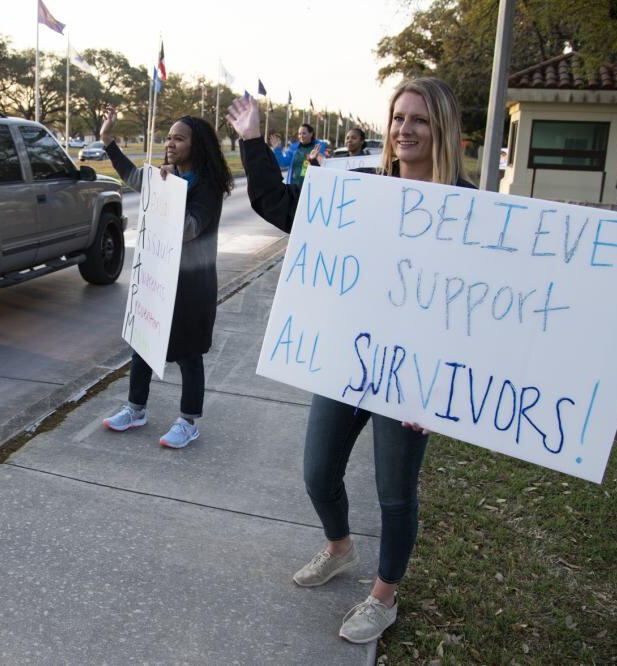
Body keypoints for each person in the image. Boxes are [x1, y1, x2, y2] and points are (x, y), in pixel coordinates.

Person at [226, 78, 475, 644]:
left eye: (419, 120)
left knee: (395, 491)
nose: (404, 130)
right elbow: (278, 205)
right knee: (318, 472)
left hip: (411, 378)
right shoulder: (362, 190)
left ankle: (384, 594)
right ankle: (339, 548)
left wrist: (435, 391)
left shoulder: (467, 208)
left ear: (442, 128)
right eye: (397, 118)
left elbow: (474, 316)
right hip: (349, 361)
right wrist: (254, 141)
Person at [100, 109, 234, 449]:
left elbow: (189, 229)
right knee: (143, 344)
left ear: (196, 144)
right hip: (158, 275)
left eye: (179, 138)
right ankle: (135, 409)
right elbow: (131, 176)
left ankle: (188, 421)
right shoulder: (165, 177)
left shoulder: (209, 186)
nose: (170, 143)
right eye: (169, 137)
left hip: (192, 283)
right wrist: (107, 140)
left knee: (189, 353)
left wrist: (170, 187)